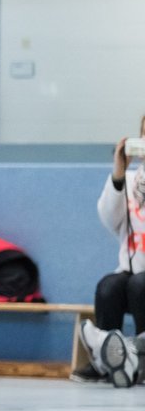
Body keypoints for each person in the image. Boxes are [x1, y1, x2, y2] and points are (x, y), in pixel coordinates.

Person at [74, 118, 145, 388]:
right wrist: (118, 174)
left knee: (140, 284)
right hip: (131, 271)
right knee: (109, 286)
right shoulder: (128, 181)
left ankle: (139, 359)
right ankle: (106, 361)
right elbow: (108, 218)